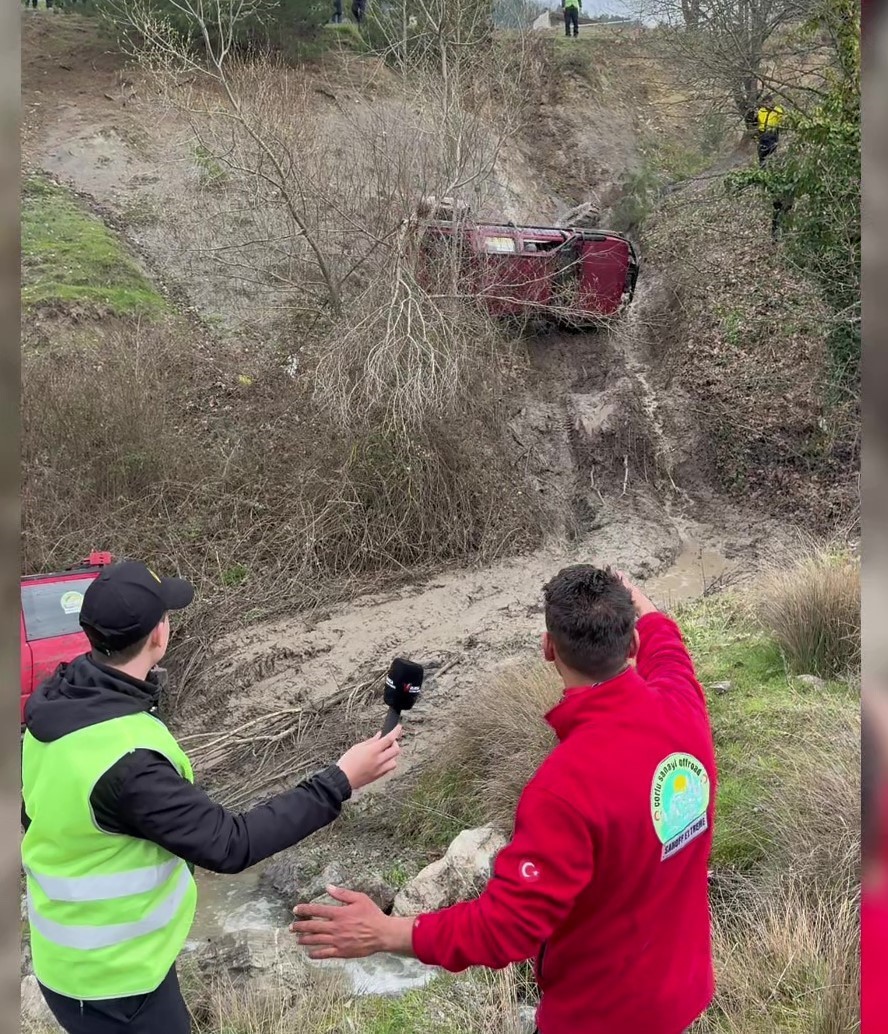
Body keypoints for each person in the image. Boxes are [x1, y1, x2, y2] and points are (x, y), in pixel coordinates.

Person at [292, 565, 717, 1034]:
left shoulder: (564, 789)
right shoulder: (683, 704)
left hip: (600, 1018)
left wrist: (384, 932)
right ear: (632, 644)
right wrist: (640, 605)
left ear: (548, 648)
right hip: (680, 996)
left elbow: (506, 928)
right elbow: (668, 645)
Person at [21, 559, 402, 1034]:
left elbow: (39, 815)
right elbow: (231, 844)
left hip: (68, 962)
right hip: (116, 980)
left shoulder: (58, 703)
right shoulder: (127, 757)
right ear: (159, 634)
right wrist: (340, 779)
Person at [757, 94, 784, 166]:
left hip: (772, 133)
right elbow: (757, 121)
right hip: (762, 133)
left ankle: (772, 165)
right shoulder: (761, 111)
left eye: (768, 102)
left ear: (772, 102)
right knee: (762, 151)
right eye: (765, 103)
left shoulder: (777, 111)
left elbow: (782, 120)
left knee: (771, 149)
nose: (766, 104)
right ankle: (763, 166)